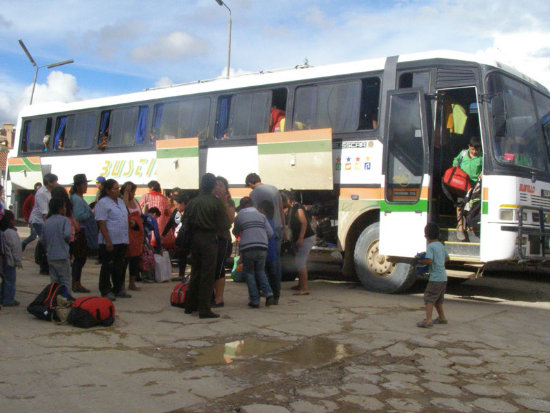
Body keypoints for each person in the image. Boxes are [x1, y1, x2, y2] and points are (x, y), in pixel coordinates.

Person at [184, 173, 230, 319]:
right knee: (208, 274)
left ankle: (190, 305)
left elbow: (185, 221)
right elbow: (225, 224)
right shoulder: (215, 202)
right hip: (209, 239)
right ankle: (204, 308)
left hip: (194, 239)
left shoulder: (193, 202)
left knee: (195, 271)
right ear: (212, 186)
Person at [245, 173, 285, 297]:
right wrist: (284, 227)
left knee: (263, 263)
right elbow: (281, 209)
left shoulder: (254, 194)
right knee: (276, 261)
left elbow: (256, 213)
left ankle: (266, 291)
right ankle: (276, 291)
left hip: (264, 230)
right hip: (278, 227)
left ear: (251, 183)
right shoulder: (274, 189)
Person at [233, 197, 274, 308]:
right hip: (262, 247)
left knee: (249, 273)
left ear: (241, 206)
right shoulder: (261, 216)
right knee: (260, 271)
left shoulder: (240, 216)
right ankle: (269, 294)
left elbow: (235, 231)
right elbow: (270, 233)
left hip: (248, 248)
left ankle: (255, 300)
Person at [95, 179, 130, 301]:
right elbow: (102, 223)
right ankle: (105, 290)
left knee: (119, 266)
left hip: (122, 240)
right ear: (108, 190)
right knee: (107, 266)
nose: (117, 191)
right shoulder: (103, 203)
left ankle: (118, 288)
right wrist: (108, 241)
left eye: (118, 188)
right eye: (114, 189)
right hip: (110, 241)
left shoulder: (120, 202)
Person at [416, 223, 450, 328]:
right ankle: (442, 318)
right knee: (438, 300)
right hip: (443, 277)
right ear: (439, 235)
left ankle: (428, 320)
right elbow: (447, 258)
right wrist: (439, 263)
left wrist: (420, 260)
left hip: (435, 278)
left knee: (429, 298)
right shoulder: (441, 245)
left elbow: (429, 260)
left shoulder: (430, 246)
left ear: (426, 236)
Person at [282, 190, 315, 296]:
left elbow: (304, 222)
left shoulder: (298, 207)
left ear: (287, 199)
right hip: (300, 238)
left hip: (306, 238)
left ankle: (304, 288)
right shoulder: (292, 208)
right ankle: (300, 284)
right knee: (298, 261)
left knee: (301, 261)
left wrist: (301, 238)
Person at [41, 197, 73, 298]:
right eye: (64, 207)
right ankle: (65, 300)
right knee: (65, 280)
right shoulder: (65, 220)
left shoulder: (47, 222)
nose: (65, 209)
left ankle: (53, 300)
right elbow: (67, 235)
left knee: (54, 281)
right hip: (62, 255)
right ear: (60, 208)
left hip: (50, 255)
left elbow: (42, 240)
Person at [26, 173, 58, 274]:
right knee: (45, 242)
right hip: (39, 221)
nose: (56, 183)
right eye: (55, 182)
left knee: (44, 241)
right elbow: (44, 211)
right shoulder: (41, 193)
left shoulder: (50, 192)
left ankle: (43, 263)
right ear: (49, 182)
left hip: (46, 219)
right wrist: (49, 225)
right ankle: (43, 265)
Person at [70, 174, 96, 293]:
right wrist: (91, 213)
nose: (86, 186)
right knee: (80, 259)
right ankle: (76, 282)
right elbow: (79, 215)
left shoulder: (78, 198)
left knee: (80, 259)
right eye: (84, 184)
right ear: (78, 186)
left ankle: (76, 282)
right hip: (81, 232)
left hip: (84, 231)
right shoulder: (76, 199)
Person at [453, 136, 482, 241]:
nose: (474, 152)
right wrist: (455, 164)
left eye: (477, 150)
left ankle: (472, 224)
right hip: (462, 184)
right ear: (469, 147)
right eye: (473, 149)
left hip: (475, 186)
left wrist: (482, 173)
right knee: (460, 204)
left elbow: (485, 168)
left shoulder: (482, 157)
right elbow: (455, 160)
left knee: (474, 204)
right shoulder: (463, 154)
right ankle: (460, 226)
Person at [212, 176, 235, 307]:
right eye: (215, 185)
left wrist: (224, 202)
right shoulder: (209, 200)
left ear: (226, 189)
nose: (218, 187)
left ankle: (219, 298)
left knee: (219, 268)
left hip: (223, 239)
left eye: (221, 185)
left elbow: (230, 220)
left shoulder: (229, 202)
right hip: (210, 239)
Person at [121, 181, 144, 291]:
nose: (133, 195)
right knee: (125, 259)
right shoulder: (122, 201)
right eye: (131, 192)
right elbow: (124, 210)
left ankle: (132, 282)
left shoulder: (135, 201)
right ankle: (121, 284)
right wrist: (126, 193)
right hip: (127, 232)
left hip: (137, 233)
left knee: (135, 258)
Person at [162, 192, 190, 281]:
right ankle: (181, 274)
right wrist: (163, 234)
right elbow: (170, 223)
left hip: (190, 238)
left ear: (183, 203)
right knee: (181, 255)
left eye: (177, 204)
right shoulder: (176, 212)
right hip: (180, 238)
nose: (176, 206)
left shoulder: (190, 212)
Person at [258, 200, 279, 304]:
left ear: (262, 210)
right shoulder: (271, 221)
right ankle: (275, 297)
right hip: (272, 253)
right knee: (273, 276)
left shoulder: (262, 221)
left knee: (261, 275)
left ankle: (266, 295)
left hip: (263, 252)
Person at [1, 211, 23, 307]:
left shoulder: (3, 232)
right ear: (11, 221)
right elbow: (16, 249)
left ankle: (3, 297)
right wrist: (18, 261)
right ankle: (9, 299)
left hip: (4, 260)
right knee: (10, 281)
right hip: (10, 261)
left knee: (4, 280)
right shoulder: (11, 233)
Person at [21, 182, 42, 251]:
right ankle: (23, 243)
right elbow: (24, 207)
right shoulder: (31, 197)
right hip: (33, 219)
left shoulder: (42, 197)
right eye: (38, 188)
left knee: (41, 236)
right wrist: (27, 218)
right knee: (33, 236)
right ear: (35, 189)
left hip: (40, 219)